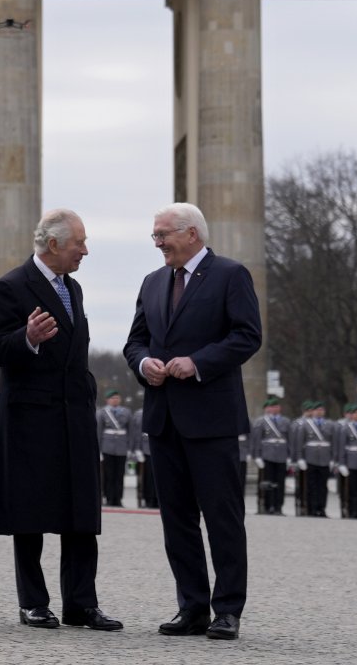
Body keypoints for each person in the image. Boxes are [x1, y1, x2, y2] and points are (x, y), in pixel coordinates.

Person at [123, 201, 261, 642]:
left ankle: (228, 610)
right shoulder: (152, 282)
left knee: (222, 518)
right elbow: (135, 341)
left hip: (211, 419)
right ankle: (192, 607)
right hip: (163, 418)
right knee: (176, 520)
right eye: (155, 236)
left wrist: (197, 362)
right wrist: (144, 364)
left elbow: (246, 335)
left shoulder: (230, 275)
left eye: (163, 234)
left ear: (192, 234)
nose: (158, 242)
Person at [0, 207, 120, 633]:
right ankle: (33, 602)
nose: (85, 249)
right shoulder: (11, 286)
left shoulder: (73, 288)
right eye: (79, 242)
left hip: (74, 417)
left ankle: (82, 603)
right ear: (54, 245)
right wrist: (26, 338)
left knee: (80, 514)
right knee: (30, 515)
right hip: (31, 419)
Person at [289, 399, 331, 517]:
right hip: (310, 458)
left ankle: (321, 508)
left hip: (324, 458)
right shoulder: (304, 425)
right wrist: (299, 458)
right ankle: (311, 508)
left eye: (321, 410)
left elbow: (333, 443)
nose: (319, 412)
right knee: (311, 485)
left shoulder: (329, 424)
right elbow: (298, 443)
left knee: (323, 486)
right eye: (316, 410)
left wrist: (333, 459)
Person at [251, 397, 291, 516]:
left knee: (280, 482)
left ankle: (278, 506)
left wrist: (289, 456)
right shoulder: (260, 422)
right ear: (266, 408)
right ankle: (268, 505)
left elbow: (290, 440)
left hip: (282, 455)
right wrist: (256, 456)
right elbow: (256, 440)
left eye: (276, 406)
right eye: (271, 407)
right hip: (266, 455)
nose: (274, 409)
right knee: (267, 482)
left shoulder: (286, 421)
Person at [98, 391, 133, 508]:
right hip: (107, 447)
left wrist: (130, 448)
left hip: (122, 447)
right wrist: (99, 449)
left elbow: (131, 431)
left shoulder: (127, 412)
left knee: (119, 474)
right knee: (109, 474)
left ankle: (118, 499)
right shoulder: (102, 413)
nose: (115, 400)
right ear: (107, 400)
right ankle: (109, 498)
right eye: (112, 398)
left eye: (117, 398)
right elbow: (98, 431)